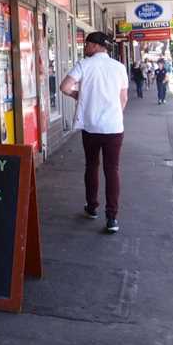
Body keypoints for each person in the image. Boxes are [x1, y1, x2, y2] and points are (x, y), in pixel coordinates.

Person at [60, 32, 129, 234]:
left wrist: (78, 95)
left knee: (92, 166)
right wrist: (115, 114)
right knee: (112, 170)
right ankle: (112, 217)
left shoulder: (84, 65)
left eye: (87, 44)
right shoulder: (119, 67)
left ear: (96, 46)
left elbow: (65, 87)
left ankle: (92, 207)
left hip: (90, 126)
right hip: (114, 127)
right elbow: (123, 98)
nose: (85, 47)